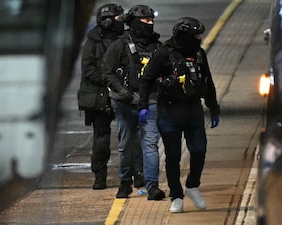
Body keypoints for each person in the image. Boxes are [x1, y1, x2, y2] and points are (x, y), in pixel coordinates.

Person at [137, 17, 220, 212]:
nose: (199, 39)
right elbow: (146, 79)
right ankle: (176, 195)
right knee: (172, 156)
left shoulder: (199, 54)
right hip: (169, 112)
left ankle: (192, 185)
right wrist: (143, 106)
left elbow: (207, 81)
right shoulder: (163, 54)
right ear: (185, 36)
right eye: (196, 35)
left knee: (199, 149)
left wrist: (213, 107)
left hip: (193, 110)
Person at [101, 5, 165, 200]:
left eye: (151, 21)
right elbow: (107, 73)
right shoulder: (119, 45)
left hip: (150, 102)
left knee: (150, 144)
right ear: (135, 22)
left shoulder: (158, 46)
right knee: (126, 144)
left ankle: (152, 185)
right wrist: (122, 91)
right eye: (145, 21)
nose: (150, 24)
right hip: (124, 103)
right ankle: (124, 183)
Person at [77, 3, 124, 190]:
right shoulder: (92, 44)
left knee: (130, 136)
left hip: (120, 94)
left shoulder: (124, 41)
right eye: (119, 19)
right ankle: (100, 176)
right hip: (100, 97)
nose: (122, 22)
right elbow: (88, 70)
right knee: (101, 138)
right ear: (107, 22)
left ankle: (135, 175)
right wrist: (111, 81)